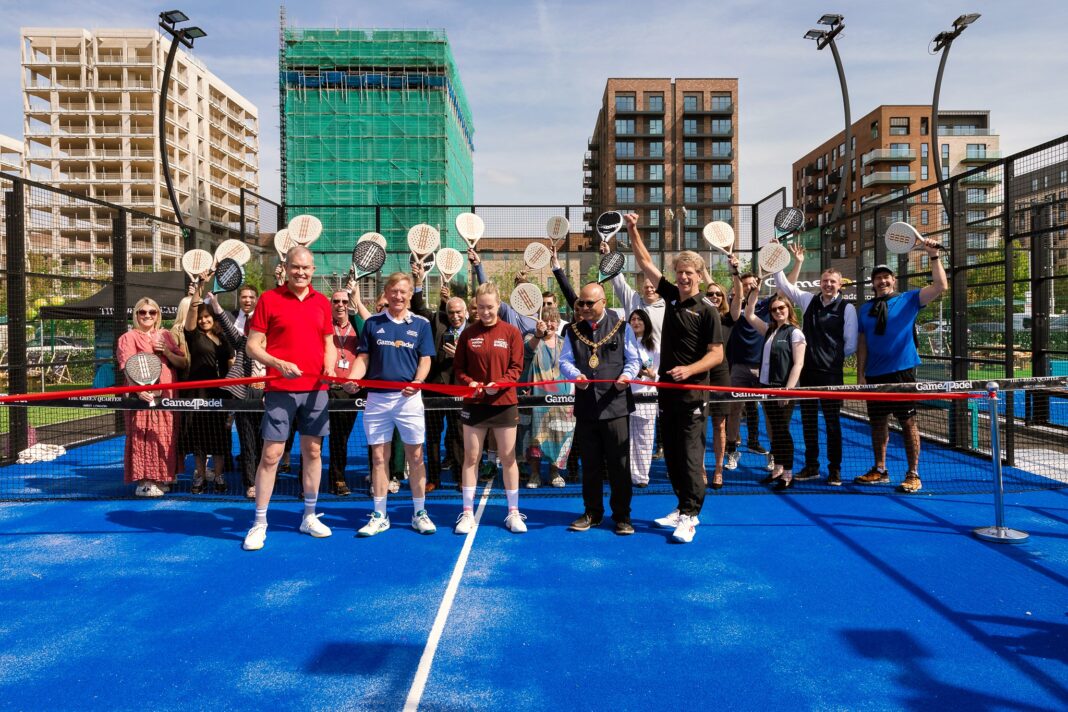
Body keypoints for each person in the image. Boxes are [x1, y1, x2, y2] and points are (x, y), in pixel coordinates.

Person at [628, 213, 728, 543]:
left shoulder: (708, 310)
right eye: (680, 272)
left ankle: (690, 515)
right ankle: (680, 506)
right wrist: (632, 229)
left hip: (693, 395)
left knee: (689, 456)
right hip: (667, 394)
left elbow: (717, 354)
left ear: (699, 276)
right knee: (671, 453)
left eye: (689, 273)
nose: (684, 277)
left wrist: (690, 369)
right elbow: (644, 262)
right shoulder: (670, 296)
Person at [241, 246, 336, 551]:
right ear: (286, 267)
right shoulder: (269, 299)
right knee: (271, 455)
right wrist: (279, 364)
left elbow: (328, 343)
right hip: (280, 388)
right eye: (296, 267)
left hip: (316, 389)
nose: (301, 273)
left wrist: (330, 365)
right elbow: (252, 346)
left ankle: (309, 515)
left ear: (313, 270)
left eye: (306, 269)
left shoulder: (322, 302)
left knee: (313, 451)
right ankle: (259, 523)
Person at [350, 271, 437, 536]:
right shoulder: (373, 324)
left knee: (416, 456)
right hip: (376, 400)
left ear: (410, 295)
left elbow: (425, 359)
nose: (398, 296)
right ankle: (379, 515)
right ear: (386, 294)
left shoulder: (421, 324)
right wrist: (352, 379)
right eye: (394, 291)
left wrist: (418, 381)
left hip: (408, 401)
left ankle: (419, 512)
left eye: (403, 291)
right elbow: (363, 358)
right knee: (379, 458)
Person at [856, 243, 947, 493]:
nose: (882, 281)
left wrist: (934, 256)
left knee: (908, 423)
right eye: (878, 278)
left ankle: (913, 473)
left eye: (886, 277)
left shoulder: (910, 299)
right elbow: (862, 343)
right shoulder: (865, 309)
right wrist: (860, 373)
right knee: (877, 423)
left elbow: (940, 286)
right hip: (875, 374)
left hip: (902, 372)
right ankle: (880, 469)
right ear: (873, 283)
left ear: (893, 281)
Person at [558, 282, 641, 534]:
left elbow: (634, 359)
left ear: (603, 302)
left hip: (616, 406)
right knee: (591, 465)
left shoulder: (622, 327)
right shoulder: (571, 330)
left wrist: (626, 376)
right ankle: (592, 513)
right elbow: (564, 360)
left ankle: (622, 516)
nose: (583, 307)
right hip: (586, 407)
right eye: (580, 303)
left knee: (619, 464)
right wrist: (575, 375)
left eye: (588, 303)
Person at [774, 244, 857, 485]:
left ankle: (835, 470)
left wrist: (831, 358)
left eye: (832, 281)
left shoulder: (847, 308)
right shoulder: (808, 300)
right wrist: (780, 259)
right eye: (825, 280)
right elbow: (783, 286)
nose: (828, 284)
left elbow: (849, 344)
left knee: (832, 425)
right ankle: (811, 466)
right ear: (820, 283)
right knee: (809, 422)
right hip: (808, 374)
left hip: (831, 376)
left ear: (840, 285)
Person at [453, 282, 527, 534]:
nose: (485, 312)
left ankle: (514, 513)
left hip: (504, 404)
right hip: (474, 405)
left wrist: (501, 384)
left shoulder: (511, 333)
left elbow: (517, 368)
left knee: (508, 458)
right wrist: (470, 383)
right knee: (471, 458)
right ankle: (466, 514)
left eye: (490, 307)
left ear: (498, 305)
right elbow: (459, 369)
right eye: (481, 307)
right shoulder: (467, 334)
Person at [117, 297, 187, 497]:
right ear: (136, 315)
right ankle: (145, 481)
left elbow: (182, 361)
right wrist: (138, 389)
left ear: (158, 315)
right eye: (142, 312)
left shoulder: (165, 335)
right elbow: (127, 365)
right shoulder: (128, 338)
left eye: (152, 312)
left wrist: (165, 350)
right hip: (141, 397)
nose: (147, 315)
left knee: (164, 435)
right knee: (142, 435)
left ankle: (162, 476)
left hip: (167, 394)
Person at [200, 288, 265, 499]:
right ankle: (251, 483)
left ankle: (266, 480)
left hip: (269, 395)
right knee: (248, 442)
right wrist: (216, 305)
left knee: (266, 442)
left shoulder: (275, 343)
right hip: (245, 395)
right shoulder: (243, 341)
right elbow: (228, 327)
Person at [744, 291, 806, 490]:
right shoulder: (770, 330)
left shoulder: (795, 332)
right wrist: (754, 292)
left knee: (782, 431)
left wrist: (787, 391)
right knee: (776, 432)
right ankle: (777, 469)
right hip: (767, 388)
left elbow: (798, 364)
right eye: (774, 309)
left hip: (783, 390)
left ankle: (788, 473)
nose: (778, 311)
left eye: (782, 308)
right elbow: (749, 314)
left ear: (789, 309)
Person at [184, 280, 236, 494]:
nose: (204, 320)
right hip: (198, 393)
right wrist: (198, 289)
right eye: (201, 317)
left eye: (208, 317)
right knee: (198, 437)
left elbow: (231, 360)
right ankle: (200, 476)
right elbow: (191, 315)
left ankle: (218, 475)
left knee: (220, 437)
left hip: (220, 394)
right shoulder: (193, 336)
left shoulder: (224, 338)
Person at [726, 262, 771, 469]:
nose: (749, 287)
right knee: (734, 409)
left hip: (763, 367)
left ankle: (771, 451)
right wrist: (735, 272)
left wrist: (789, 262)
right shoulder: (735, 306)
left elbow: (787, 287)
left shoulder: (768, 305)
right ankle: (732, 450)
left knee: (767, 410)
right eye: (745, 286)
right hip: (738, 367)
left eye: (753, 285)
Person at [525, 306, 574, 488]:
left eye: (554, 319)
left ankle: (554, 473)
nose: (550, 323)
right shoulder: (532, 339)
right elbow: (527, 353)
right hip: (539, 399)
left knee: (559, 436)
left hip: (562, 399)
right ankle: (535, 474)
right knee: (536, 438)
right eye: (547, 319)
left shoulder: (564, 342)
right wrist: (538, 335)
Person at [325, 288, 362, 497]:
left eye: (344, 301)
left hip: (350, 392)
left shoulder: (357, 327)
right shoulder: (324, 328)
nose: (340, 305)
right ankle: (306, 481)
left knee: (341, 438)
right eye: (336, 301)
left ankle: (338, 478)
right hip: (325, 389)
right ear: (331, 304)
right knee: (314, 438)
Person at [627, 308, 659, 488]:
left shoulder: (654, 345)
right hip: (627, 396)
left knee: (645, 440)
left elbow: (659, 372)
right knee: (628, 439)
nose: (636, 322)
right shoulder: (625, 344)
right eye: (633, 319)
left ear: (646, 323)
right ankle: (630, 473)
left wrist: (652, 374)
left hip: (646, 397)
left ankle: (642, 476)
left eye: (639, 319)